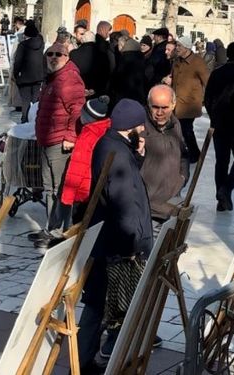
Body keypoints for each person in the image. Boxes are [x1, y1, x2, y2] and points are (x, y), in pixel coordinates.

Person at [78, 99, 155, 370]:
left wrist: (139, 154)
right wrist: (133, 244)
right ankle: (86, 361)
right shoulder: (117, 154)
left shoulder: (113, 145)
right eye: (141, 129)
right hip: (116, 247)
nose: (143, 133)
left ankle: (88, 359)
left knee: (98, 305)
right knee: (100, 306)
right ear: (132, 127)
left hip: (108, 241)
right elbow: (124, 203)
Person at [31, 43, 86, 248]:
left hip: (59, 141)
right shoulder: (54, 78)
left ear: (67, 57)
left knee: (58, 187)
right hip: (48, 139)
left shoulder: (69, 78)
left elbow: (77, 111)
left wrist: (70, 137)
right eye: (50, 54)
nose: (54, 58)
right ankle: (52, 227)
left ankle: (59, 231)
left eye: (59, 54)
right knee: (49, 186)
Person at [205, 42, 234, 211]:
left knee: (221, 161)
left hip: (219, 123)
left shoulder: (216, 73)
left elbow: (207, 98)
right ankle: (226, 188)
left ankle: (221, 196)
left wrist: (213, 116)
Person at [60, 95, 111, 224]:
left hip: (83, 192)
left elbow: (77, 169)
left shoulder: (87, 136)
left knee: (79, 227)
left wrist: (67, 196)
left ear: (88, 117)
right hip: (99, 190)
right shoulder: (106, 130)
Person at [141, 85, 189, 220]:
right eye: (155, 107)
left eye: (164, 107)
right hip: (148, 208)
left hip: (171, 204)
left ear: (173, 105)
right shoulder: (140, 127)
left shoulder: (175, 124)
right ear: (149, 105)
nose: (160, 112)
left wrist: (183, 178)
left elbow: (183, 155)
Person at [170, 36, 210, 163]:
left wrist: (205, 99)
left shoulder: (197, 62)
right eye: (176, 45)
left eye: (179, 46)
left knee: (186, 129)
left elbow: (207, 81)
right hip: (177, 101)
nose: (177, 48)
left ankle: (194, 154)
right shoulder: (177, 61)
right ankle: (189, 152)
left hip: (190, 103)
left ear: (186, 48)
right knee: (181, 129)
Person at [13, 21, 44, 123]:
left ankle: (24, 119)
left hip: (25, 76)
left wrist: (15, 74)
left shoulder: (22, 45)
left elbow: (18, 61)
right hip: (38, 76)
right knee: (35, 100)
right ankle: (35, 119)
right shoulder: (41, 44)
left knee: (25, 100)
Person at [109, 37, 147, 108]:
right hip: (138, 96)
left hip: (124, 97)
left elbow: (117, 78)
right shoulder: (141, 57)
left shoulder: (125, 58)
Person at [70, 31, 97, 96]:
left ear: (83, 40)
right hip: (94, 91)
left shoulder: (73, 53)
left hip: (77, 89)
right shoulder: (102, 54)